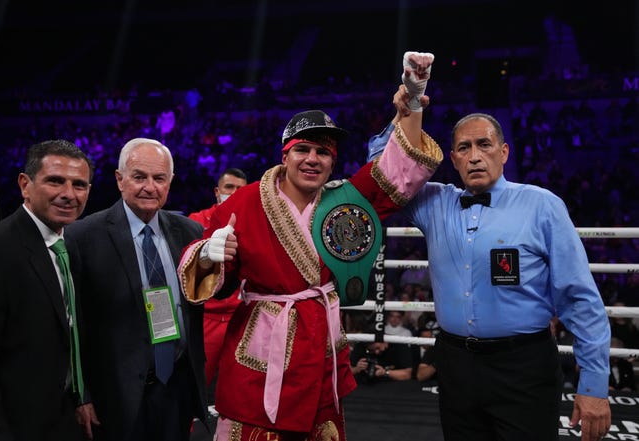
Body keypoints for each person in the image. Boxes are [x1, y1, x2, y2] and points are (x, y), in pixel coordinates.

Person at [176, 51, 442, 440]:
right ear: (285, 155)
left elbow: (399, 174)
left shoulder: (344, 201)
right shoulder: (245, 201)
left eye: (323, 152)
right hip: (264, 351)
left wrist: (415, 100)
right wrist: (209, 256)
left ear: (333, 162)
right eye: (303, 149)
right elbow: (206, 274)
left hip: (319, 350)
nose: (312, 159)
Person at [376, 107, 612, 440]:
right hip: (456, 367)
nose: (474, 156)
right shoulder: (434, 204)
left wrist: (593, 385)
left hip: (524, 368)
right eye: (463, 148)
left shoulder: (542, 206)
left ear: (503, 152)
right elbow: (384, 172)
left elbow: (579, 298)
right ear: (453, 160)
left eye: (484, 145)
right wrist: (407, 109)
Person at [65, 138, 206, 441]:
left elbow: (208, 296)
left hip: (177, 388)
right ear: (120, 179)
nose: (149, 187)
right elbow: (72, 326)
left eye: (159, 179)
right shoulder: (83, 237)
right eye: (139, 177)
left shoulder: (190, 232)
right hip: (113, 396)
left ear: (170, 182)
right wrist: (82, 395)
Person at [0, 140, 93, 441]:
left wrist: (81, 396)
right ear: (24, 185)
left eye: (79, 185)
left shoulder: (70, 247)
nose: (68, 194)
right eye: (55, 181)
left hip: (66, 419)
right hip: (16, 427)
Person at [188, 167, 248, 386]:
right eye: (228, 187)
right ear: (217, 191)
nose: (233, 192)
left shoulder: (252, 222)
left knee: (242, 388)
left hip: (240, 317)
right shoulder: (195, 221)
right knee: (194, 384)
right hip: (206, 317)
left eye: (239, 189)